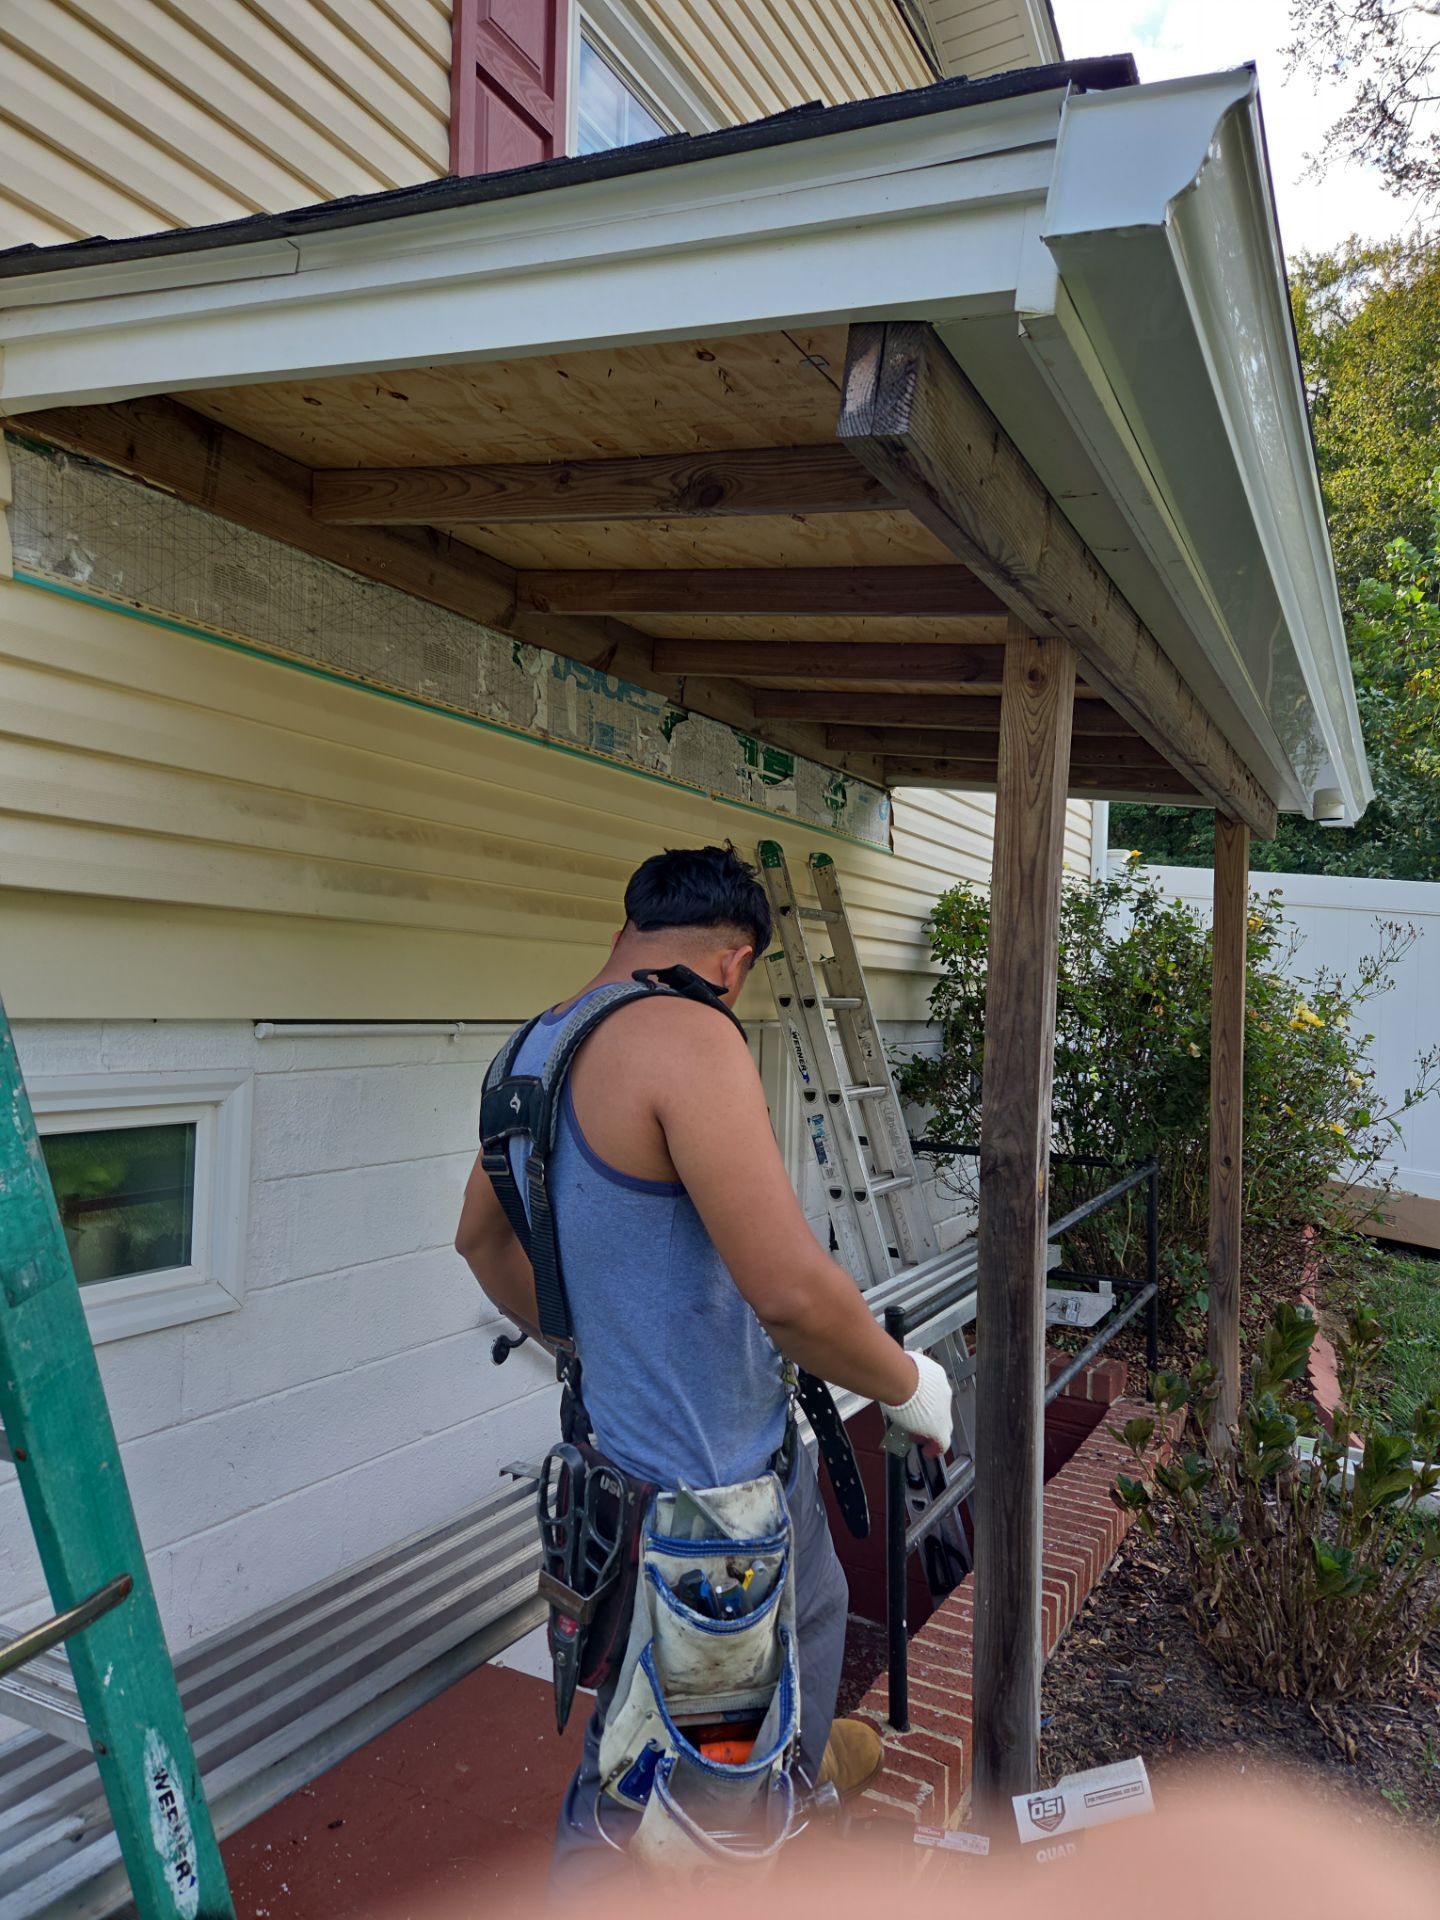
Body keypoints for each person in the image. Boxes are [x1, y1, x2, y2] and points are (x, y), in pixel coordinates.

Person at [455, 843, 954, 1875]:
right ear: (735, 960)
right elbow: (792, 1294)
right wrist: (913, 1386)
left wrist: (599, 1348)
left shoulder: (531, 1053)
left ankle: (807, 1776)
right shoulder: (689, 1033)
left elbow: (483, 1243)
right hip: (710, 1513)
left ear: (625, 932)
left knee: (759, 1676)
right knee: (666, 1808)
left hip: (627, 1477)